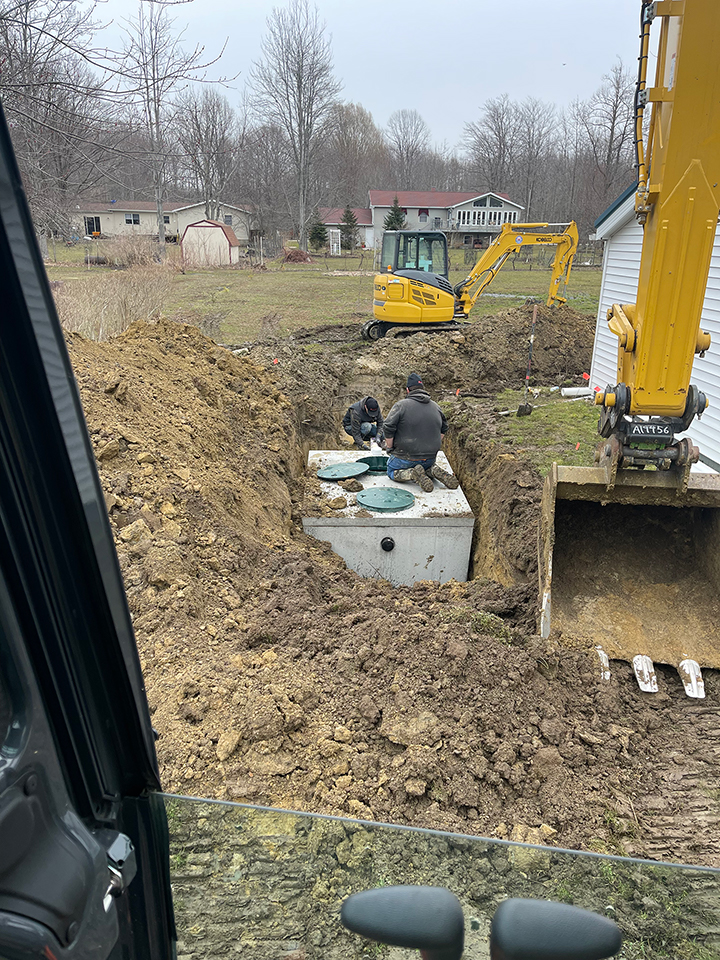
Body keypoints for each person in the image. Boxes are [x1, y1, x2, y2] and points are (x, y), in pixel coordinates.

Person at [382, 373, 459, 493]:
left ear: (407, 390)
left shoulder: (401, 406)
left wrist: (389, 447)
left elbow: (388, 427)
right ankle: (432, 470)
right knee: (425, 466)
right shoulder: (436, 407)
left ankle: (412, 474)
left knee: (391, 471)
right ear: (423, 389)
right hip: (429, 458)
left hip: (405, 458)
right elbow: (444, 429)